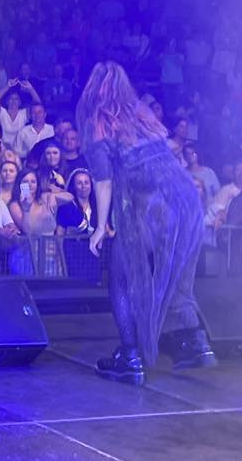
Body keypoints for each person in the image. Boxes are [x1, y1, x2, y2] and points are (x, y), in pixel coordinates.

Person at [78, 61, 210, 384]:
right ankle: (195, 341)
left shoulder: (97, 123)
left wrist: (100, 227)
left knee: (122, 278)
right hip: (185, 198)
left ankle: (130, 356)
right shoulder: (142, 114)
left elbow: (103, 181)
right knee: (177, 273)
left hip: (151, 204)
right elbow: (170, 153)